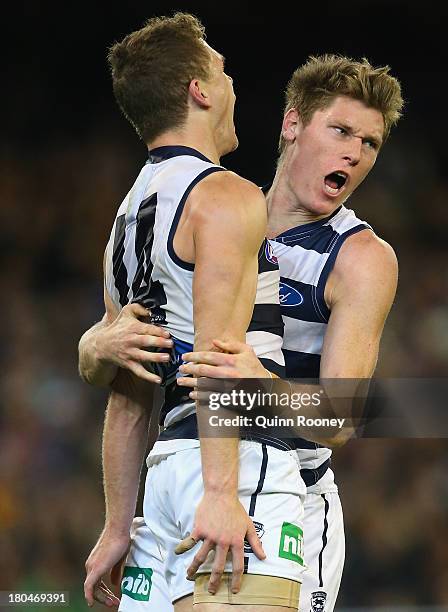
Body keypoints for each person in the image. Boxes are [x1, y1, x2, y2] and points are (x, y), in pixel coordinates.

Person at [80, 53, 403, 612]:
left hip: (291, 495)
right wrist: (94, 345)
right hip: (193, 472)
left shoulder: (360, 259)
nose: (354, 152)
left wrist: (256, 387)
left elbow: (342, 420)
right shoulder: (223, 210)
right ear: (293, 124)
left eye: (370, 143)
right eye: (342, 130)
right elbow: (133, 364)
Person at [80, 12, 306, 612]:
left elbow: (129, 393)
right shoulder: (227, 196)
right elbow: (220, 360)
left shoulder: (123, 222)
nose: (233, 84)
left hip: (161, 484)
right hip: (234, 462)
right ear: (200, 91)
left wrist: (116, 524)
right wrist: (221, 492)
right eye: (223, 71)